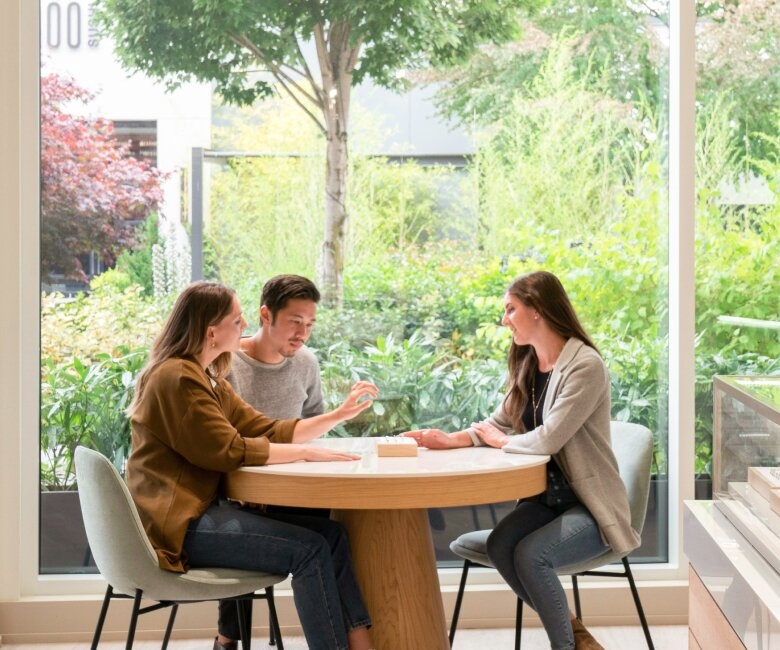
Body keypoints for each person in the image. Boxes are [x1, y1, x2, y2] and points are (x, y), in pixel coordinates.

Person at [126, 281, 377, 650]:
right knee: (310, 549)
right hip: (178, 525)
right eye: (237, 319)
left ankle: (361, 641)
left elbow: (267, 428)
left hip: (196, 513)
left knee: (332, 535)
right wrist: (306, 453)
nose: (244, 326)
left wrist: (340, 414)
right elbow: (227, 450)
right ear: (212, 331)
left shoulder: (206, 378)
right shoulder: (177, 378)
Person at [402, 270, 639, 650]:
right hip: (546, 501)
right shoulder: (529, 363)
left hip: (589, 507)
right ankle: (579, 637)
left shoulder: (585, 366)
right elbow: (498, 424)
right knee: (500, 545)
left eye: (511, 309)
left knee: (531, 555)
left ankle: (566, 646)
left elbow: (550, 437)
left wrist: (498, 442)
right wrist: (452, 440)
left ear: (538, 310)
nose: (504, 319)